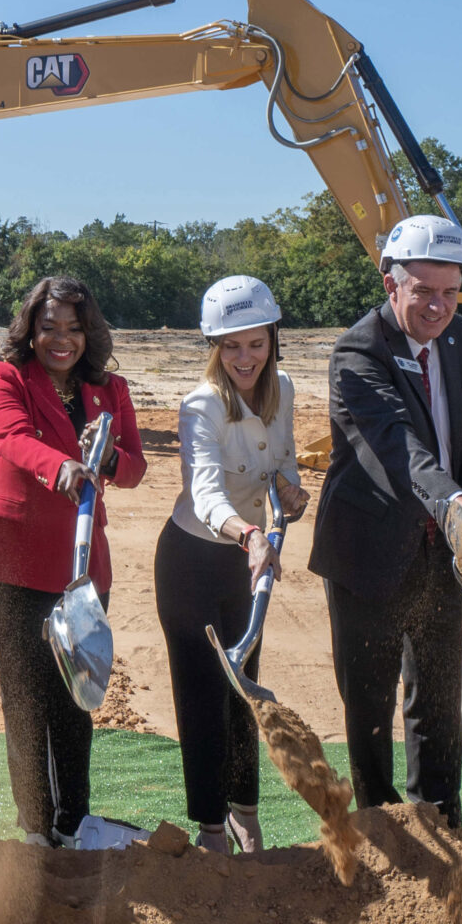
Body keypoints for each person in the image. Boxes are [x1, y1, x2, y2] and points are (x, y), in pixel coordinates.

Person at [309, 214, 462, 828]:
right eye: (424, 292)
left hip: (441, 545)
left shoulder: (458, 336)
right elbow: (396, 444)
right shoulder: (358, 351)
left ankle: (442, 819)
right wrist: (451, 499)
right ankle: (381, 829)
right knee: (368, 703)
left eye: (450, 291)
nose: (439, 306)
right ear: (392, 285)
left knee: (439, 697)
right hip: (369, 547)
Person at [0, 275, 146, 849]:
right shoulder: (3, 377)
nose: (61, 340)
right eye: (49, 328)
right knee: (25, 694)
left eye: (74, 328)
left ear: (89, 333)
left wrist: (109, 456)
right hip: (12, 562)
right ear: (31, 330)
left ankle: (75, 822)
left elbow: (136, 468)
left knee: (77, 693)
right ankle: (35, 828)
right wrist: (61, 464)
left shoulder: (110, 389)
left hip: (82, 567)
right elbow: (11, 437)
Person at [158, 276, 305, 855]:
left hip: (248, 561)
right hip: (193, 562)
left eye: (256, 343)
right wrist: (249, 534)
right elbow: (205, 493)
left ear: (272, 339)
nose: (245, 358)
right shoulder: (201, 407)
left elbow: (285, 459)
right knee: (201, 697)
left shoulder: (284, 388)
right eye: (231, 346)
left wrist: (289, 492)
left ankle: (247, 814)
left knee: (244, 690)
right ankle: (211, 829)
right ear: (214, 348)